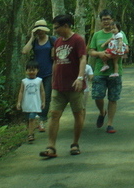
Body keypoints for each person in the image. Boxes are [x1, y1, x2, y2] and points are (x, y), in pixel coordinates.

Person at [39, 14, 87, 159]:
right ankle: (51, 146)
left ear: (66, 26)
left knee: (78, 114)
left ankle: (75, 143)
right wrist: (54, 78)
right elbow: (55, 61)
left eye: (57, 28)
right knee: (54, 114)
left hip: (74, 86)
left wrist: (79, 77)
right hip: (58, 86)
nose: (55, 31)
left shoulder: (78, 40)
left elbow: (83, 58)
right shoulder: (58, 42)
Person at [88, 9, 128, 134]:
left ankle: (110, 124)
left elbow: (126, 48)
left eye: (108, 19)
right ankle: (102, 112)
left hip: (115, 71)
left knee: (113, 98)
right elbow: (91, 51)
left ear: (112, 20)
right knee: (98, 96)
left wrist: (117, 52)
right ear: (100, 22)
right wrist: (100, 54)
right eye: (103, 19)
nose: (106, 22)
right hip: (100, 72)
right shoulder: (97, 35)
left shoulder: (120, 33)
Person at [21, 19, 56, 132]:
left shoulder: (51, 40)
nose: (40, 32)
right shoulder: (35, 42)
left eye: (41, 30)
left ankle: (41, 120)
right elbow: (25, 51)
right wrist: (32, 37)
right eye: (38, 30)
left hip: (49, 72)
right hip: (35, 74)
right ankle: (34, 119)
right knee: (35, 97)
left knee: (46, 96)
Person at [16, 60, 45, 144]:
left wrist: (43, 102)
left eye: (33, 70)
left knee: (32, 118)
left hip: (35, 103)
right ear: (26, 71)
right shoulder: (24, 81)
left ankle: (30, 134)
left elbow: (42, 91)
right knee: (28, 119)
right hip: (26, 103)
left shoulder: (39, 80)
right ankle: (30, 131)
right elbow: (21, 92)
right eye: (29, 70)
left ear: (37, 70)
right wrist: (19, 102)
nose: (31, 72)